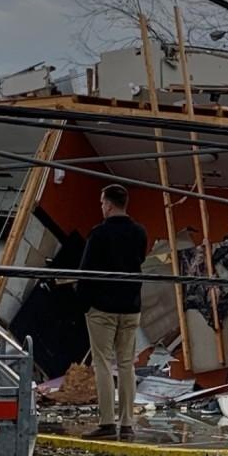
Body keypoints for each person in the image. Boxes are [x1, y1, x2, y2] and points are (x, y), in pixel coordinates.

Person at [78, 184, 148, 440]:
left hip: (103, 309)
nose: (101, 207)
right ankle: (127, 423)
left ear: (108, 204)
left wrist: (84, 303)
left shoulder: (98, 234)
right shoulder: (140, 232)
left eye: (101, 203)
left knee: (103, 364)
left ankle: (107, 422)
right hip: (131, 308)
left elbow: (84, 273)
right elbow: (139, 262)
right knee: (127, 364)